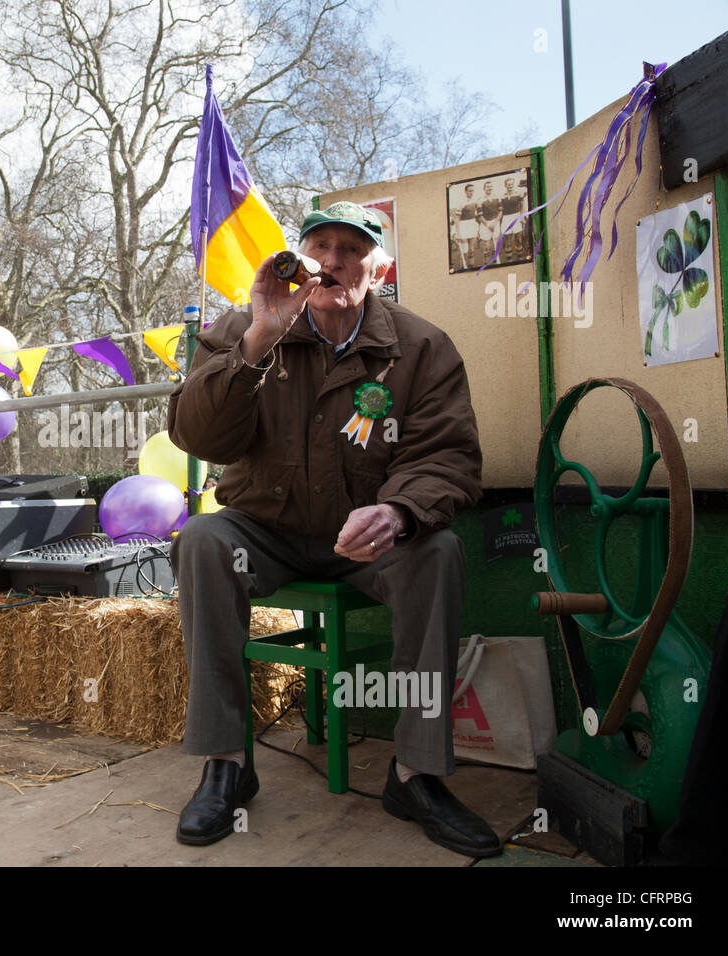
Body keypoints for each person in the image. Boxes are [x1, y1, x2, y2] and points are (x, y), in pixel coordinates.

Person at [167, 200, 500, 857]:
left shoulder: (422, 347)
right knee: (204, 540)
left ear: (378, 270)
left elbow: (448, 457)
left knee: (437, 552)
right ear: (299, 261)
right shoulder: (244, 327)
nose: (334, 260)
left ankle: (417, 773)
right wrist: (258, 340)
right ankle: (228, 763)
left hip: (370, 543)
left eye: (353, 249)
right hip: (265, 529)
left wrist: (399, 511)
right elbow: (196, 434)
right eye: (321, 246)